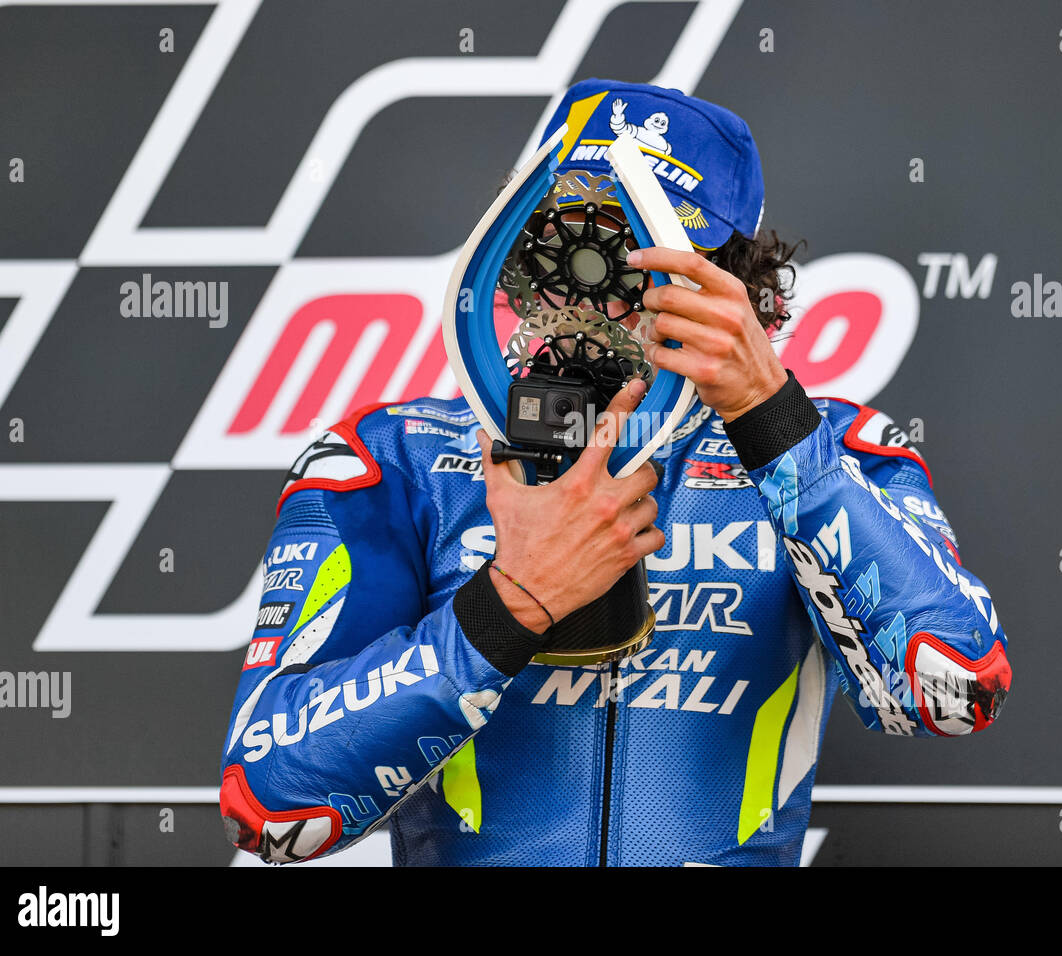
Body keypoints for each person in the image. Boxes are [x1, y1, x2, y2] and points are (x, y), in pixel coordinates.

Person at [219, 78, 1012, 866]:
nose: (593, 289)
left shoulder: (840, 444)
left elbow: (956, 689)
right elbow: (269, 806)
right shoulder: (398, 457)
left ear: (732, 277)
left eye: (641, 251)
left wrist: (770, 416)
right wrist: (505, 607)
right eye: (564, 241)